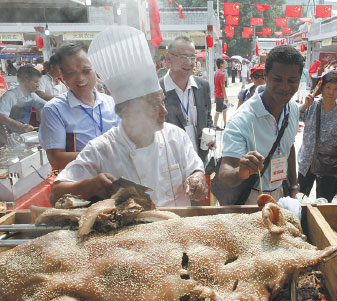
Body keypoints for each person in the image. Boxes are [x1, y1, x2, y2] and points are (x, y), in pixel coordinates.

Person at [49, 25, 207, 207]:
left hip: (178, 228)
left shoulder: (175, 136)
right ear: (127, 112)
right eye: (153, 107)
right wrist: (89, 186)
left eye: (162, 102)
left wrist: (197, 178)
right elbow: (55, 194)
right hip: (131, 233)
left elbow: (195, 168)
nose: (164, 112)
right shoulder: (102, 149)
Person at [218, 45, 304, 205]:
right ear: (266, 75)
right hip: (249, 198)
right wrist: (240, 172)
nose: (285, 87)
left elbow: (289, 146)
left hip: (280, 193)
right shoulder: (241, 120)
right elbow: (224, 173)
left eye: (292, 81)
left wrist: (293, 186)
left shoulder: (292, 108)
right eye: (277, 79)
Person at [38, 42, 120, 170]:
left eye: (86, 71)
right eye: (71, 73)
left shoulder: (112, 104)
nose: (80, 78)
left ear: (95, 69)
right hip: (80, 184)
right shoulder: (54, 110)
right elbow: (56, 159)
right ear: (63, 75)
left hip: (118, 176)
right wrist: (104, 156)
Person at [297, 71, 337, 202]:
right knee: (299, 198)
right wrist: (304, 106)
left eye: (335, 89)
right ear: (322, 88)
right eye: (328, 88)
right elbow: (294, 119)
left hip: (329, 163)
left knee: (324, 201)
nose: (331, 92)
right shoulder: (312, 105)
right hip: (307, 160)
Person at [159, 36, 214, 164]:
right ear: (168, 58)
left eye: (192, 58)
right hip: (171, 165)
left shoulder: (202, 86)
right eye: (183, 57)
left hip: (200, 162)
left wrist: (211, 134)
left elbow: (208, 119)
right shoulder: (157, 91)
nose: (189, 62)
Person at [0, 65, 45, 133]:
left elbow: (47, 106)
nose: (38, 85)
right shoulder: (10, 96)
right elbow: (2, 117)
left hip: (21, 136)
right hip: (6, 137)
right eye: (35, 82)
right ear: (24, 80)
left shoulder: (32, 96)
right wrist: (21, 126)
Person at [213, 58, 228, 130]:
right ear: (221, 64)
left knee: (224, 109)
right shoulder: (222, 74)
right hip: (220, 95)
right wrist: (226, 97)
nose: (226, 64)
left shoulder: (216, 72)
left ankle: (225, 124)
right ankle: (215, 126)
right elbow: (223, 86)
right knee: (218, 111)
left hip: (217, 93)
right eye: (224, 63)